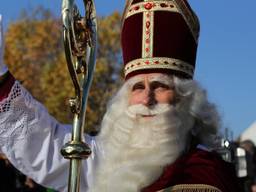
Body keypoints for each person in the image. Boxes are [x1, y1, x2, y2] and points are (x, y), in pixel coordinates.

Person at [0, 1, 240, 191]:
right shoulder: (115, 157)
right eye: (137, 87)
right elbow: (50, 150)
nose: (146, 100)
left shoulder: (206, 175)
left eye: (159, 86)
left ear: (187, 99)